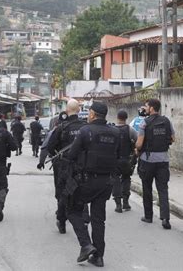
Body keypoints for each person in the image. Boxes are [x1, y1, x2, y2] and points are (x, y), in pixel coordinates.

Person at [65, 101, 120, 267]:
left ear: (93, 114)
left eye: (89, 112)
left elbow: (72, 155)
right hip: (106, 182)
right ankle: (98, 256)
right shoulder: (115, 132)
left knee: (72, 210)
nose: (88, 114)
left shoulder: (85, 131)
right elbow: (118, 155)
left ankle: (86, 244)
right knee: (98, 219)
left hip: (87, 181)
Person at [47, 99, 87, 234]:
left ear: (67, 111)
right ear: (79, 110)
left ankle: (62, 221)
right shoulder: (86, 127)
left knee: (63, 193)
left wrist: (58, 157)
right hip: (83, 166)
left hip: (64, 166)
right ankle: (82, 219)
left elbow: (50, 147)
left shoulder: (61, 128)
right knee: (81, 192)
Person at [135, 98, 175, 230]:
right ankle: (165, 219)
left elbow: (139, 143)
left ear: (151, 108)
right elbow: (173, 138)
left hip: (147, 161)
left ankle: (148, 216)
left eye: (146, 106)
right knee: (163, 189)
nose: (144, 108)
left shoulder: (144, 123)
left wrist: (136, 148)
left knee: (147, 188)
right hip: (163, 160)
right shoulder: (167, 121)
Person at [112, 109, 138, 213]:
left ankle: (118, 204)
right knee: (126, 179)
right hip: (127, 160)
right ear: (126, 118)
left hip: (115, 160)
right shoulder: (130, 130)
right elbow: (138, 141)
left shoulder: (112, 130)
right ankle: (126, 202)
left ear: (117, 117)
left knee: (115, 180)